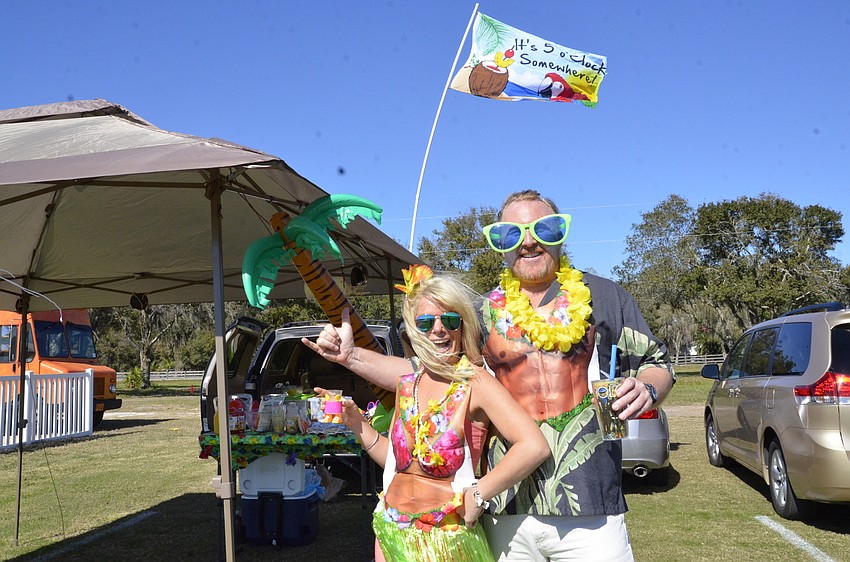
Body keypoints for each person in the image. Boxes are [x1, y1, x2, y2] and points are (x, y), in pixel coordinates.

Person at [306, 189, 674, 561]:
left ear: (561, 233)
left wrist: (648, 388)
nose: (528, 242)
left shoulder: (606, 298)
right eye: (511, 234)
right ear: (500, 245)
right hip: (506, 506)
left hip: (588, 498)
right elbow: (427, 372)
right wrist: (351, 356)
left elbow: (657, 362)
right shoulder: (482, 312)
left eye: (544, 229)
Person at [315, 266, 549, 562]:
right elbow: (399, 464)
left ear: (463, 326)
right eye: (426, 322)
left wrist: (479, 493)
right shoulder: (407, 384)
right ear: (414, 329)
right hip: (392, 533)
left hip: (446, 541)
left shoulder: (476, 383)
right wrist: (357, 423)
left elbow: (533, 445)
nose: (439, 330)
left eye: (450, 320)